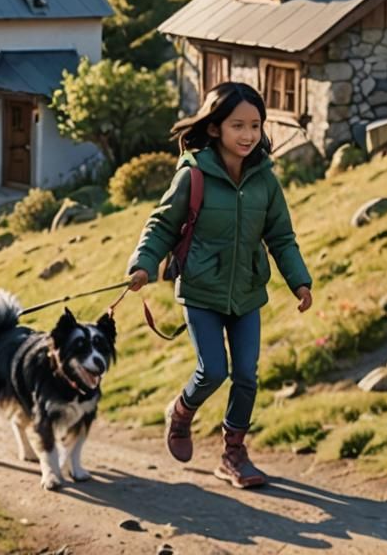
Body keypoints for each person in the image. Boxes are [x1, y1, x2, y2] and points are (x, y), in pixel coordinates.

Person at [126, 81, 313, 489]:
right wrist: (143, 264)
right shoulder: (193, 175)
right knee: (213, 370)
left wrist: (299, 281)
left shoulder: (265, 179)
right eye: (238, 126)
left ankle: (233, 454)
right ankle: (181, 411)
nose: (248, 135)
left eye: (255, 125)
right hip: (200, 290)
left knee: (246, 374)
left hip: (247, 291)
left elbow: (281, 236)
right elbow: (161, 224)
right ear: (215, 128)